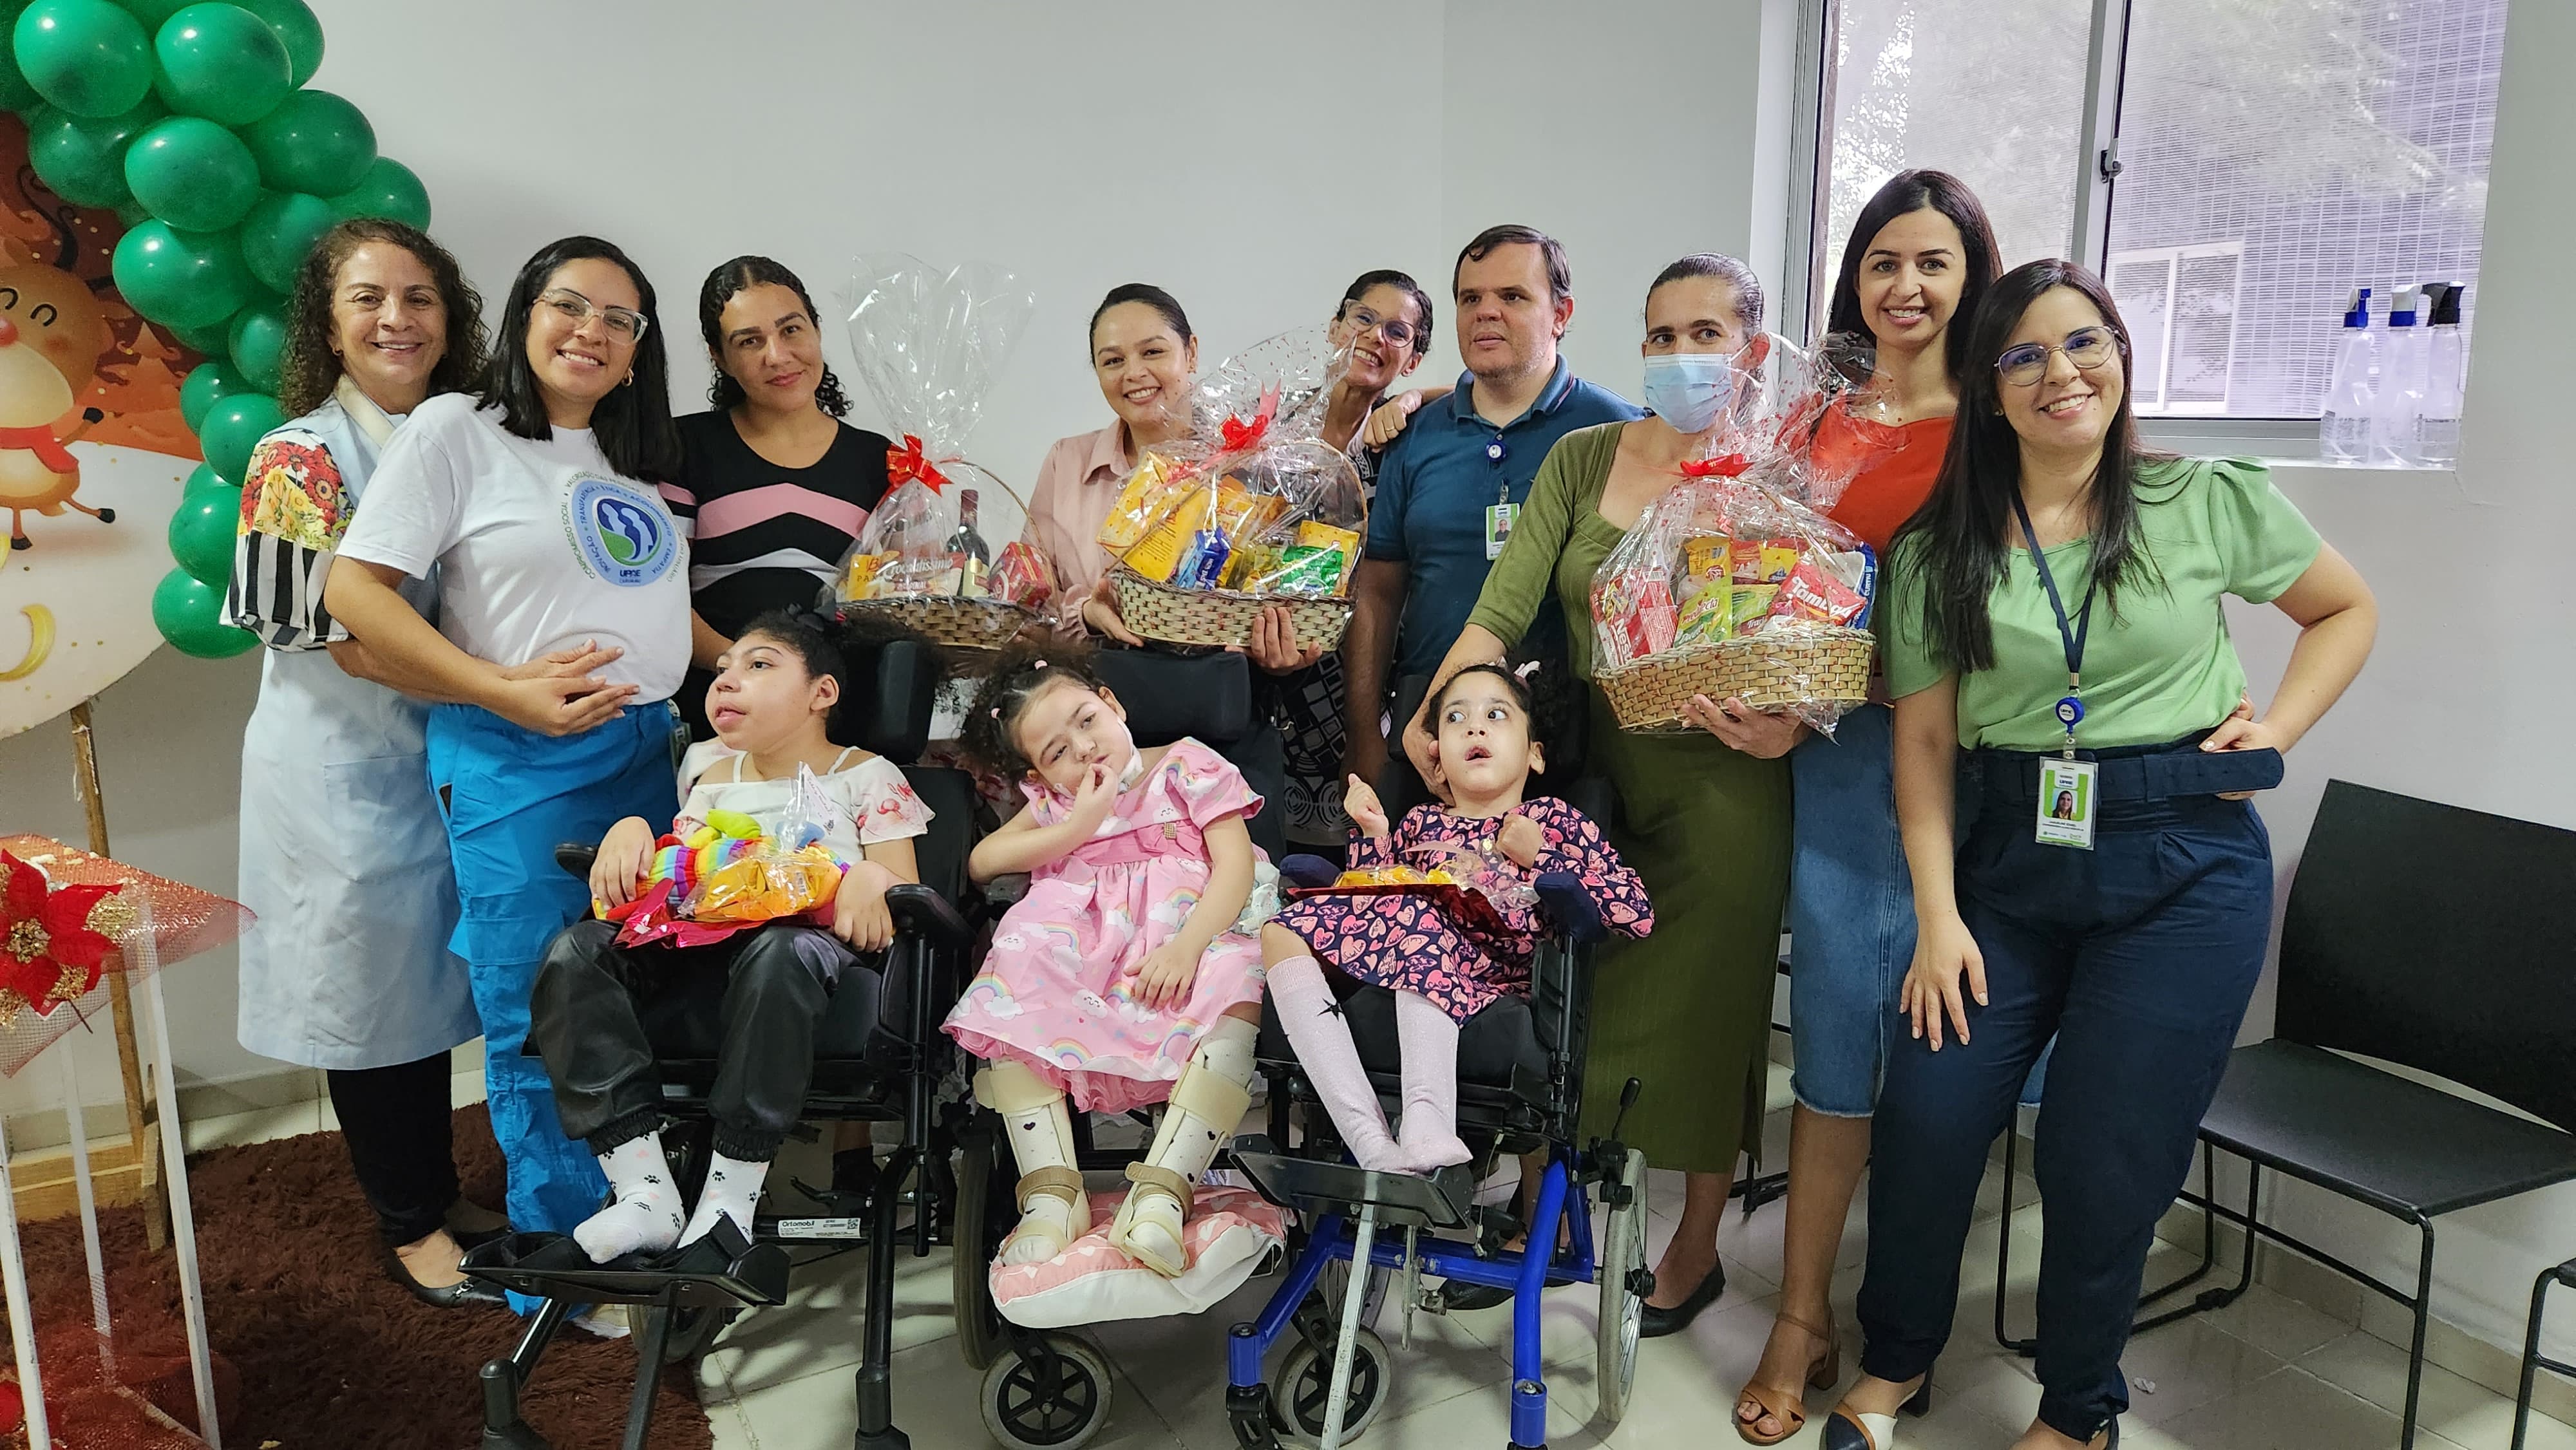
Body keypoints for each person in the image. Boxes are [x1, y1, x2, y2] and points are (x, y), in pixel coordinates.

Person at [1825, 259, 2374, 1450]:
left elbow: (2345, 608)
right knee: (1927, 1114)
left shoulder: (2201, 498)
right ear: (1990, 388)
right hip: (2005, 866)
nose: (2060, 374)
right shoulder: (1936, 552)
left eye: (2085, 343)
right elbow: (1924, 747)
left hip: (2183, 862)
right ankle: (1897, 1362)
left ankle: (2078, 1413)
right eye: (2023, 356)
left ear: (2122, 354)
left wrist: (2276, 730)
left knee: (2100, 1152)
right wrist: (1938, 918)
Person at [1405, 253, 1781, 1334]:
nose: (1679, 355)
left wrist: (1790, 724)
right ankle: (1545, 1214)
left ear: (1753, 352)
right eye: (1662, 335)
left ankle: (1695, 1247)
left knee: (1709, 1021)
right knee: (1566, 1006)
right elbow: (1499, 609)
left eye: (1706, 335)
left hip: (1728, 794)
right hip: (1592, 788)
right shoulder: (1583, 460)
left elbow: (1817, 628)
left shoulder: (1776, 478)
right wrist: (1438, 715)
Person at [323, 235, 692, 1299]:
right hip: (521, 760)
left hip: (649, 760)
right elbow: (353, 593)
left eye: (620, 319)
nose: (592, 331)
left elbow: (646, 610)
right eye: (569, 305)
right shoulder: (458, 428)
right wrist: (497, 688)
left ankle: (643, 1218)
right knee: (540, 1010)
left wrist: (784, 655)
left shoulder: (625, 458)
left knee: (633, 1000)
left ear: (638, 349)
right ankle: (565, 1269)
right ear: (525, 315)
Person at [225, 218, 544, 1310]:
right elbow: (344, 640)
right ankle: (409, 1221)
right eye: (367, 299)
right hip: (342, 769)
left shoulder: (469, 438)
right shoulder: (299, 458)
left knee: (426, 988)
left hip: (452, 756)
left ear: (451, 319)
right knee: (368, 999)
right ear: (327, 326)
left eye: (419, 297)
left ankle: (439, 1189)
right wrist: (505, 689)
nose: (396, 320)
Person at [1730, 170, 2002, 1443]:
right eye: (1883, 260)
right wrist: (1772, 690)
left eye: (1933, 262)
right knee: (1836, 1041)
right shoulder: (1813, 418)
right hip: (1834, 773)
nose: (1906, 285)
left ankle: (1903, 1327)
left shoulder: (2000, 422)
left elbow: (2017, 610)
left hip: (1961, 770)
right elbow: (1764, 579)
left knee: (1940, 1058)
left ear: (1971, 277)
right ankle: (1801, 1315)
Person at [527, 609, 929, 1262]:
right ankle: (644, 1193)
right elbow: (679, 874)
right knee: (577, 951)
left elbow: (904, 895)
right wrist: (632, 830)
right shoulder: (713, 779)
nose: (727, 681)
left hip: (809, 954)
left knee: (778, 951)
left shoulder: (867, 775)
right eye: (722, 669)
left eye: (759, 665)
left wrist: (871, 876)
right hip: (698, 949)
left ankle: (729, 1200)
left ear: (822, 693)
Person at [941, 641, 1267, 1277]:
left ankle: (1163, 1192)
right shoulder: (1056, 806)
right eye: (1056, 752)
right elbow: (981, 862)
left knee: (1237, 977)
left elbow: (1236, 865)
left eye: (1086, 720)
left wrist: (1187, 945)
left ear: (1111, 704)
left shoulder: (1187, 764)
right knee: (1017, 957)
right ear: (1039, 776)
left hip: (1185, 935)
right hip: (1084, 948)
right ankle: (1050, 1197)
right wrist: (1078, 824)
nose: (1084, 748)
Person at [1265, 655, 1649, 1172]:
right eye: (1456, 717)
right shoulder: (1419, 822)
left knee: (1419, 913)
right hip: (1404, 956)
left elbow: (1636, 911)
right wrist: (1375, 835)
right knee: (1280, 931)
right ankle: (1368, 1138)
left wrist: (1542, 857)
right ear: (1438, 761)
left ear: (1535, 755)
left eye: (1497, 715)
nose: (1475, 727)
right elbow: (1370, 911)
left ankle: (1428, 1121)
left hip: (1495, 971)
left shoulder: (1554, 820)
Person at [1341, 225, 1642, 809]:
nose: (1486, 312)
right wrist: (1363, 736)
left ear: (1561, 314)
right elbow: (1377, 592)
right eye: (1470, 298)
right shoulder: (1414, 435)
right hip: (1430, 739)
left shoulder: (1616, 433)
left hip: (1573, 750)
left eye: (1512, 296)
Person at [666, 256, 893, 738]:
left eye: (791, 330)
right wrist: (746, 672)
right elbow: (658, 594)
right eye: (749, 341)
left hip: (836, 721)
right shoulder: (681, 449)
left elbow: (891, 602)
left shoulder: (880, 461)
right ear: (719, 357)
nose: (778, 355)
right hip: (716, 718)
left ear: (817, 330)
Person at [1257, 270, 1439, 851]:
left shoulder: (1403, 440)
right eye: (1363, 318)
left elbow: (1473, 393)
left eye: (1398, 332)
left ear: (1412, 360)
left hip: (1364, 684)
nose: (1376, 337)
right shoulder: (1269, 426)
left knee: (1361, 862)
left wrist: (1414, 399)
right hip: (1263, 668)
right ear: (1335, 326)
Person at [1023, 283, 1200, 639]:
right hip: (1089, 673)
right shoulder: (1066, 463)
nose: (1133, 373)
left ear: (1191, 353)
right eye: (1113, 361)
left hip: (1216, 674)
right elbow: (1026, 602)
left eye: (1152, 352)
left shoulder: (1243, 461)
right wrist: (1085, 615)